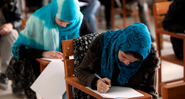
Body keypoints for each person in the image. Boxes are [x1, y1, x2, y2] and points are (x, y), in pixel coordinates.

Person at [6, 0, 93, 98]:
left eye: (68, 23)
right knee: (64, 80)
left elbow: (93, 42)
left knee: (77, 78)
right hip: (39, 65)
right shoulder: (38, 19)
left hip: (69, 67)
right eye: (61, 20)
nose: (64, 25)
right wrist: (43, 53)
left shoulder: (78, 19)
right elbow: (19, 49)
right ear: (55, 11)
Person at [76, 22, 159, 99]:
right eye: (123, 56)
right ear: (118, 45)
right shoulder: (103, 44)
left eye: (133, 61)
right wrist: (96, 81)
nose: (126, 63)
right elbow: (81, 71)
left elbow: (151, 93)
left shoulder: (149, 58)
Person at [0, 0, 25, 98]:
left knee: (14, 35)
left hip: (4, 35)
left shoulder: (11, 2)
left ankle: (5, 74)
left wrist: (11, 25)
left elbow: (19, 19)